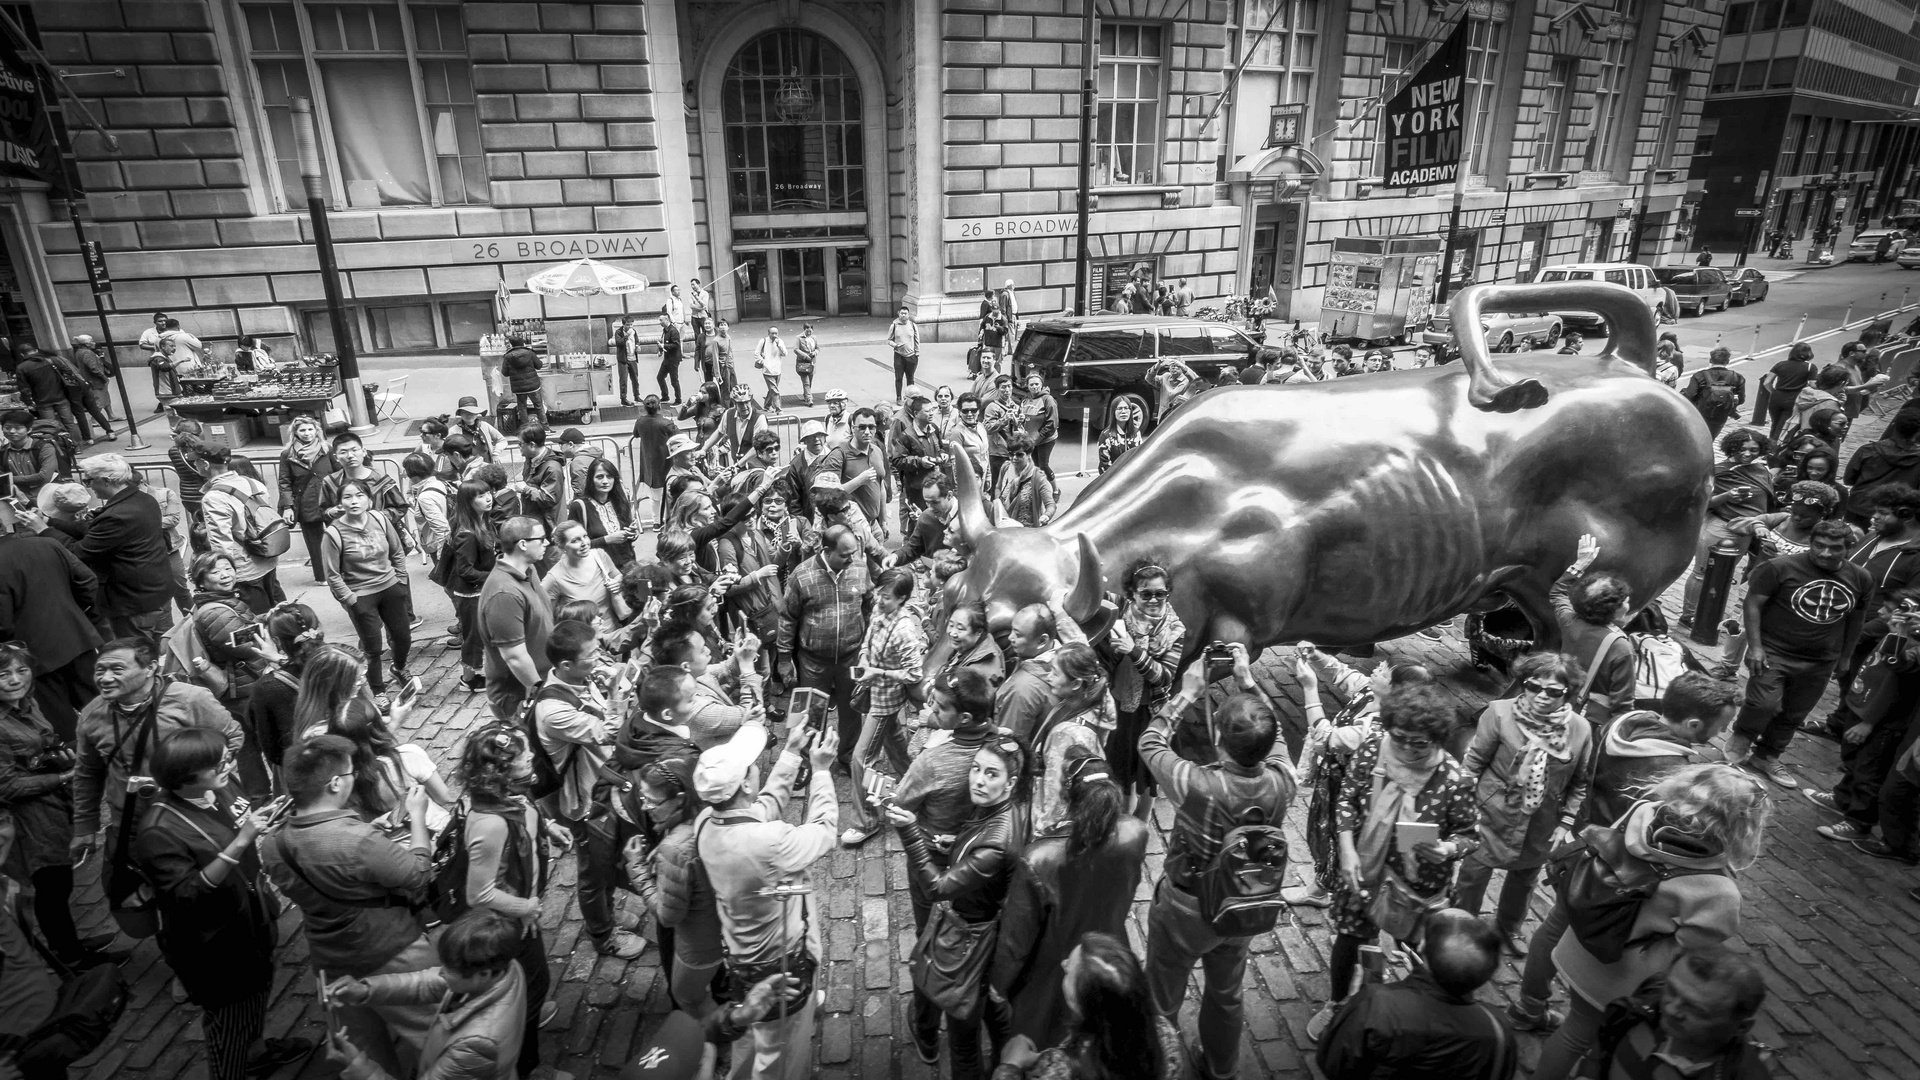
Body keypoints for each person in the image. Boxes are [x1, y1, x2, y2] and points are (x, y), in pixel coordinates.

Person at [1508, 671, 1739, 1034]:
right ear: (1693, 723)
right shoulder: (1671, 773)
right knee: (1571, 935)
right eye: (1719, 726)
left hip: (1582, 845)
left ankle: (1529, 1003)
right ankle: (1552, 1006)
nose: (1720, 734)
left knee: (1555, 927)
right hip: (1610, 868)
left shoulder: (1626, 724)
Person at [1529, 764, 1770, 1080]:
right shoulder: (1720, 891)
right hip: (1621, 975)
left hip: (1579, 943)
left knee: (1574, 1029)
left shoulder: (1643, 813)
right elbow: (1690, 952)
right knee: (1580, 1037)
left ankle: (1530, 1008)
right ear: (1745, 827)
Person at [1139, 645, 1296, 1080]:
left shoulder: (1199, 785)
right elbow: (1278, 736)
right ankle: (1220, 1068)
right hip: (1242, 902)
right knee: (1226, 993)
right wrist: (1247, 681)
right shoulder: (1283, 781)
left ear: (1219, 740)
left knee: (1163, 995)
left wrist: (1186, 691)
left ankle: (1161, 1066)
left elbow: (1149, 742)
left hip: (1187, 905)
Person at [132, 728, 314, 1080]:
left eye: (227, 758)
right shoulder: (159, 829)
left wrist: (263, 817)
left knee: (256, 995)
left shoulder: (221, 785)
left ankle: (257, 1052)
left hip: (250, 915)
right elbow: (187, 895)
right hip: (216, 946)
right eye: (218, 763)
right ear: (186, 777)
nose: (228, 764)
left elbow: (239, 820)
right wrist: (240, 842)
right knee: (229, 1022)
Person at [1308, 684, 1479, 1043]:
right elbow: (1348, 801)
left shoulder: (1455, 780)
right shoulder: (1374, 750)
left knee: (1419, 951)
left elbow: (1469, 835)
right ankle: (1338, 1003)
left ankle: (1413, 1014)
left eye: (1419, 743)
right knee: (1351, 939)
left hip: (1418, 887)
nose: (1405, 748)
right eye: (1399, 738)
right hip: (1365, 875)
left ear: (1437, 739)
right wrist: (1348, 850)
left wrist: (1447, 849)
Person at [265, 735, 438, 1073]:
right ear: (333, 784)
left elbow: (318, 872)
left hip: (331, 961)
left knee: (364, 1054)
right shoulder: (359, 841)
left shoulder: (273, 844)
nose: (354, 777)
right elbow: (417, 875)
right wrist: (418, 817)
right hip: (392, 950)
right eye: (349, 773)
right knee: (435, 1031)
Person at [693, 720, 841, 1080]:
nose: (758, 766)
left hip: (744, 958)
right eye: (752, 766)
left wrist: (791, 753)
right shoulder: (769, 842)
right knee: (778, 1059)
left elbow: (764, 805)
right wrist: (821, 772)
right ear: (745, 783)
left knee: (762, 1039)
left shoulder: (707, 822)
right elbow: (824, 829)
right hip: (780, 966)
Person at [884, 732, 1028, 1080]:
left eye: (991, 774)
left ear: (1010, 785)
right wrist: (956, 843)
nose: (978, 779)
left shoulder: (996, 843)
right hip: (988, 931)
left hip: (971, 940)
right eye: (976, 768)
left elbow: (936, 887)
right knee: (995, 1014)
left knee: (963, 1041)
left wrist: (910, 831)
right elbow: (977, 844)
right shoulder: (998, 810)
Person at [991, 749, 1148, 1049]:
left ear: (1067, 796)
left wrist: (997, 986)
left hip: (1052, 969)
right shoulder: (1135, 833)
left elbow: (1016, 938)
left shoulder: (1040, 858)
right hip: (1109, 951)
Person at [1452, 653, 1593, 952]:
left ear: (1568, 693)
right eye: (1533, 687)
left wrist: (1566, 822)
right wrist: (1462, 806)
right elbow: (1474, 762)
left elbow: (1580, 782)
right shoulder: (1500, 714)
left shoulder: (1580, 730)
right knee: (1473, 875)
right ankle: (1462, 928)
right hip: (1490, 811)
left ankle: (1508, 929)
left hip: (1541, 819)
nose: (1542, 696)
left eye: (1554, 691)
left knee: (1524, 878)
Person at [531, 619, 648, 960]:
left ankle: (607, 913)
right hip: (583, 803)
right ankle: (603, 934)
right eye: (593, 654)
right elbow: (609, 730)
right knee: (593, 871)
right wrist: (617, 693)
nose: (600, 658)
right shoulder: (553, 710)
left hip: (603, 786)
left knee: (608, 859)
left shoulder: (581, 678)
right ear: (565, 665)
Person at [453, 723, 564, 1074]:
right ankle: (527, 1064)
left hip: (520, 913)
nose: (532, 756)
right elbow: (479, 893)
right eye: (522, 756)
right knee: (530, 987)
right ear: (498, 771)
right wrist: (527, 907)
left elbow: (525, 811)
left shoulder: (510, 793)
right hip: (507, 922)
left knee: (534, 979)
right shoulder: (490, 825)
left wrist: (546, 826)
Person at [1286, 648, 1435, 908]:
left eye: (1383, 672)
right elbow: (1342, 674)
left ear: (1395, 691)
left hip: (1349, 791)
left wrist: (1310, 689)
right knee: (1327, 832)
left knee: (1337, 835)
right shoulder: (1370, 692)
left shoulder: (1374, 728)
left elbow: (1326, 738)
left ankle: (1333, 892)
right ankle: (1325, 885)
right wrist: (1317, 655)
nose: (1375, 669)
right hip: (1334, 780)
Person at [1726, 520, 1870, 787]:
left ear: (1848, 548)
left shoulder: (1861, 578)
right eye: (1820, 546)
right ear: (1811, 543)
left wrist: (1845, 657)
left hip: (1821, 659)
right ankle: (1743, 734)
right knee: (1763, 703)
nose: (1826, 553)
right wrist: (1756, 647)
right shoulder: (1780, 568)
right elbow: (1753, 604)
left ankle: (1767, 755)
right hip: (1775, 650)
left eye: (1835, 548)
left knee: (1794, 712)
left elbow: (1856, 619)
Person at [0, 642, 117, 968]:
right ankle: (70, 958)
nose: (14, 680)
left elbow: (38, 747)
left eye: (21, 670)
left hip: (52, 805)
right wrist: (63, 777)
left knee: (60, 879)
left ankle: (70, 945)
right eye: (3, 674)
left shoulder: (28, 703)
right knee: (51, 885)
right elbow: (7, 785)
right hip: (28, 817)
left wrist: (57, 755)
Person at [323, 910, 527, 1080]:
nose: (440, 972)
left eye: (448, 969)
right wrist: (366, 990)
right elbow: (427, 983)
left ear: (483, 974)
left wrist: (365, 1071)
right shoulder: (505, 967)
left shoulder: (475, 1046)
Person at [1316, 909, 1517, 1080]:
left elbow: (1332, 1062)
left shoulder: (1376, 1005)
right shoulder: (1499, 1030)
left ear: (1421, 947)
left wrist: (1349, 1003)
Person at [1575, 949, 1771, 1080]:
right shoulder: (1644, 1008)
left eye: (1695, 1008)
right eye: (1671, 990)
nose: (1670, 1009)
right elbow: (1603, 1047)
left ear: (1742, 1027)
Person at [840, 567, 925, 846]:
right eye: (879, 593)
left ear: (902, 599)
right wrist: (865, 659)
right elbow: (869, 639)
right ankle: (919, 792)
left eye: (887, 597)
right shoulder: (880, 611)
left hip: (885, 701)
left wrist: (880, 673)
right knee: (897, 745)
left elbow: (914, 674)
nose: (879, 600)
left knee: (860, 759)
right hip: (874, 691)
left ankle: (866, 821)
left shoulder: (904, 630)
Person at [777, 525, 869, 767]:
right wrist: (785, 659)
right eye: (846, 555)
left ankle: (848, 755)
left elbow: (870, 606)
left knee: (852, 711)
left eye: (854, 553)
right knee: (808, 712)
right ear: (826, 551)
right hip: (813, 661)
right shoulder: (802, 575)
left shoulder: (859, 568)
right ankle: (805, 759)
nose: (852, 559)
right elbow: (787, 618)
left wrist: (868, 647)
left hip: (851, 657)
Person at [183, 553, 275, 795]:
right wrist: (275, 628)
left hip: (242, 684)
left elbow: (243, 629)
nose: (225, 574)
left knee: (248, 745)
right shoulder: (215, 611)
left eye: (228, 568)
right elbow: (244, 646)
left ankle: (259, 798)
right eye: (215, 572)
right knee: (260, 744)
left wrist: (269, 617)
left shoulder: (221, 601)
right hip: (243, 687)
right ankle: (264, 797)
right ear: (201, 581)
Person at [1095, 564, 1184, 811]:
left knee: (1148, 776)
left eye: (1160, 593)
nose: (1153, 599)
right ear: (1132, 594)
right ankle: (1124, 822)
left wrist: (1133, 652)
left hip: (1151, 712)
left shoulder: (1175, 630)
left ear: (1167, 593)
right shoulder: (1122, 609)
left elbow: (1165, 676)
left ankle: (1141, 825)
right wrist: (1093, 579)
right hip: (1121, 707)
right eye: (1146, 594)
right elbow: (1097, 597)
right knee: (1122, 774)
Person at [321, 478, 415, 711]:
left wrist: (401, 580)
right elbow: (332, 575)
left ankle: (399, 667)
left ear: (369, 500)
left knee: (403, 636)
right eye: (347, 497)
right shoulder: (333, 533)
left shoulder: (380, 519)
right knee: (373, 648)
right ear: (340, 503)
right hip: (361, 594)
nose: (354, 501)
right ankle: (379, 690)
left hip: (390, 587)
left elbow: (397, 552)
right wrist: (350, 599)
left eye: (359, 495)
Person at [69, 453, 174, 639]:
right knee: (164, 651)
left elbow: (80, 552)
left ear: (106, 480)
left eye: (89, 481)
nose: (89, 487)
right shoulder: (144, 499)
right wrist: (49, 522)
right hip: (158, 594)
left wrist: (44, 530)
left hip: (134, 606)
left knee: (137, 659)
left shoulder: (116, 515)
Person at [1682, 428, 1775, 624]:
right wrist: (1727, 497)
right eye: (1742, 449)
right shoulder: (1720, 471)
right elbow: (1700, 503)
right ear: (1731, 448)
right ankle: (1688, 616)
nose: (1748, 454)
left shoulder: (1761, 470)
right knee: (1701, 573)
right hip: (1721, 528)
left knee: (1725, 574)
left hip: (1747, 531)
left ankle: (1709, 614)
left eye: (1754, 449)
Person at [479, 517, 555, 722]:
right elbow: (515, 657)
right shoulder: (504, 594)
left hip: (545, 682)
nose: (547, 543)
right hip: (519, 697)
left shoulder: (528, 570)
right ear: (523, 544)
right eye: (541, 538)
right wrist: (543, 694)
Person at [197, 445, 286, 616]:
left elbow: (221, 543)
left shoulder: (214, 497)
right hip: (268, 556)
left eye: (196, 462)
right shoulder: (253, 483)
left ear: (205, 464)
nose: (196, 466)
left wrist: (223, 574)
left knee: (256, 619)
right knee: (280, 612)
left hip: (244, 568)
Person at [1030, 644, 1112, 829]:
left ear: (1076, 684)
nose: (1048, 677)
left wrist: (1042, 833)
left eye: (1055, 673)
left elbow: (1055, 796)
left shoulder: (1067, 735)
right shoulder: (1096, 699)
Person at [247, 603, 326, 780]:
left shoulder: (267, 687)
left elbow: (272, 751)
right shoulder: (341, 659)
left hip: (306, 772)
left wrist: (277, 662)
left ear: (276, 641)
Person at [447, 482, 499, 692]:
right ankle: (468, 679)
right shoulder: (467, 533)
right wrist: (495, 576)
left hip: (481, 590)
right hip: (470, 594)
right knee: (473, 637)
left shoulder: (484, 522)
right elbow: (465, 571)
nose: (488, 498)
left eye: (488, 493)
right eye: (480, 496)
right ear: (468, 502)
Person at [275, 415, 337, 582]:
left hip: (330, 501)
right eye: (302, 430)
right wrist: (288, 506)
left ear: (317, 431)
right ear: (295, 432)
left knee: (339, 536)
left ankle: (343, 571)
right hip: (306, 502)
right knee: (315, 543)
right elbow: (284, 482)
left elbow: (339, 473)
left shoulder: (327, 449)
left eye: (310, 429)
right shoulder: (287, 454)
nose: (307, 433)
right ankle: (322, 576)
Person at [1843, 410, 1920, 528]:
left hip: (1859, 507)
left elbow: (1849, 479)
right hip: (1897, 513)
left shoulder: (1868, 451)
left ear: (1893, 425)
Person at [828, 408, 891, 540]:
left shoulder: (876, 450)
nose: (867, 432)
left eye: (871, 427)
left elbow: (881, 487)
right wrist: (860, 480)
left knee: (881, 561)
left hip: (875, 526)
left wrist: (883, 521)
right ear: (852, 428)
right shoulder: (839, 454)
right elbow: (829, 494)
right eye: (862, 427)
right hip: (851, 529)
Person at [570, 456, 640, 569]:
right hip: (599, 569)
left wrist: (631, 534)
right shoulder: (579, 506)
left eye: (609, 477)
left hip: (628, 567)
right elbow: (572, 543)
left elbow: (627, 535)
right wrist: (607, 539)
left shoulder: (621, 501)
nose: (605, 481)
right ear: (591, 479)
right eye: (599, 477)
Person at [1681, 346, 1746, 438]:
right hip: (1721, 415)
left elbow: (1690, 395)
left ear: (1711, 360)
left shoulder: (1699, 376)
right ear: (1727, 361)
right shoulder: (1737, 377)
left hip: (1700, 414)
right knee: (1710, 438)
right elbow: (1741, 399)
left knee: (1695, 438)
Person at [996, 432, 1055, 528]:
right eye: (1011, 454)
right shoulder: (1006, 468)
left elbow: (1050, 505)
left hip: (1026, 532)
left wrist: (1046, 516)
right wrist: (999, 507)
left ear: (1029, 454)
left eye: (1019, 455)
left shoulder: (1038, 477)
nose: (1014, 458)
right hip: (1005, 528)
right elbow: (998, 488)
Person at [1765, 342, 1819, 444]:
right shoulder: (1810, 367)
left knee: (1775, 423)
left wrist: (1773, 392)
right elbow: (1813, 384)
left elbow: (1767, 382)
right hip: (1794, 398)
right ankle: (1773, 449)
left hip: (1776, 397)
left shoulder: (1780, 364)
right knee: (1783, 426)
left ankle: (1769, 446)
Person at [0, 409, 60, 500]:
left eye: (18, 428)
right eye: (7, 427)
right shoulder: (3, 451)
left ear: (29, 430)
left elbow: (44, 477)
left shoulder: (44, 447)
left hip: (45, 496)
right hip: (15, 497)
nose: (12, 431)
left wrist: (10, 479)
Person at [1020, 372, 1060, 494]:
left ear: (1042, 385)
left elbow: (1052, 424)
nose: (1034, 387)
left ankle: (1055, 490)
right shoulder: (1026, 400)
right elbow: (1023, 419)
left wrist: (1038, 438)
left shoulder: (1048, 400)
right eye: (1031, 384)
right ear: (1027, 386)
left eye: (1037, 384)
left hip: (1046, 439)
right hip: (1031, 440)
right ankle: (1039, 490)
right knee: (1035, 466)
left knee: (1043, 465)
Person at [501, 334, 545, 428]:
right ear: (522, 343)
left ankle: (526, 429)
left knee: (522, 408)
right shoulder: (530, 353)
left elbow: (505, 373)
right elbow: (539, 366)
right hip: (533, 386)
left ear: (512, 345)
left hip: (519, 388)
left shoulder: (507, 356)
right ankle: (545, 428)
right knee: (539, 406)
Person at [1097, 399, 1145, 474]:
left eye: (1126, 408)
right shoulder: (1106, 436)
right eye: (1119, 408)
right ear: (1113, 412)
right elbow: (1104, 465)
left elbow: (1140, 457)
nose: (1123, 412)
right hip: (1112, 478)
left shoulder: (1136, 432)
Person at [889, 304, 920, 400]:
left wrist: (917, 352)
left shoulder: (913, 326)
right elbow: (889, 340)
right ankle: (899, 397)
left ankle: (910, 397)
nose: (903, 315)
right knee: (899, 378)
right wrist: (894, 345)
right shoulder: (894, 325)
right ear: (899, 314)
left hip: (911, 356)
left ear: (908, 315)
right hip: (899, 356)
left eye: (905, 313)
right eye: (901, 313)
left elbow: (917, 339)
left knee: (910, 378)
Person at [610, 315, 642, 405]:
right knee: (623, 379)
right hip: (623, 359)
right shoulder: (618, 332)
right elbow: (619, 343)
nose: (630, 327)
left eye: (631, 324)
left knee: (635, 378)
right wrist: (626, 336)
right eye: (628, 325)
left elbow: (637, 341)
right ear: (623, 324)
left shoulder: (634, 331)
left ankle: (637, 396)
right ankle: (623, 399)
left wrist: (637, 346)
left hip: (633, 358)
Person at [656, 314, 685, 405]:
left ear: (667, 320)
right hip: (667, 358)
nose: (659, 322)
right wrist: (661, 350)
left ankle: (678, 399)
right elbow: (663, 341)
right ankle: (665, 396)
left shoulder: (673, 331)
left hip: (673, 359)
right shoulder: (665, 331)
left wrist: (664, 346)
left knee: (674, 380)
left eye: (661, 320)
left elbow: (676, 345)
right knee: (660, 377)